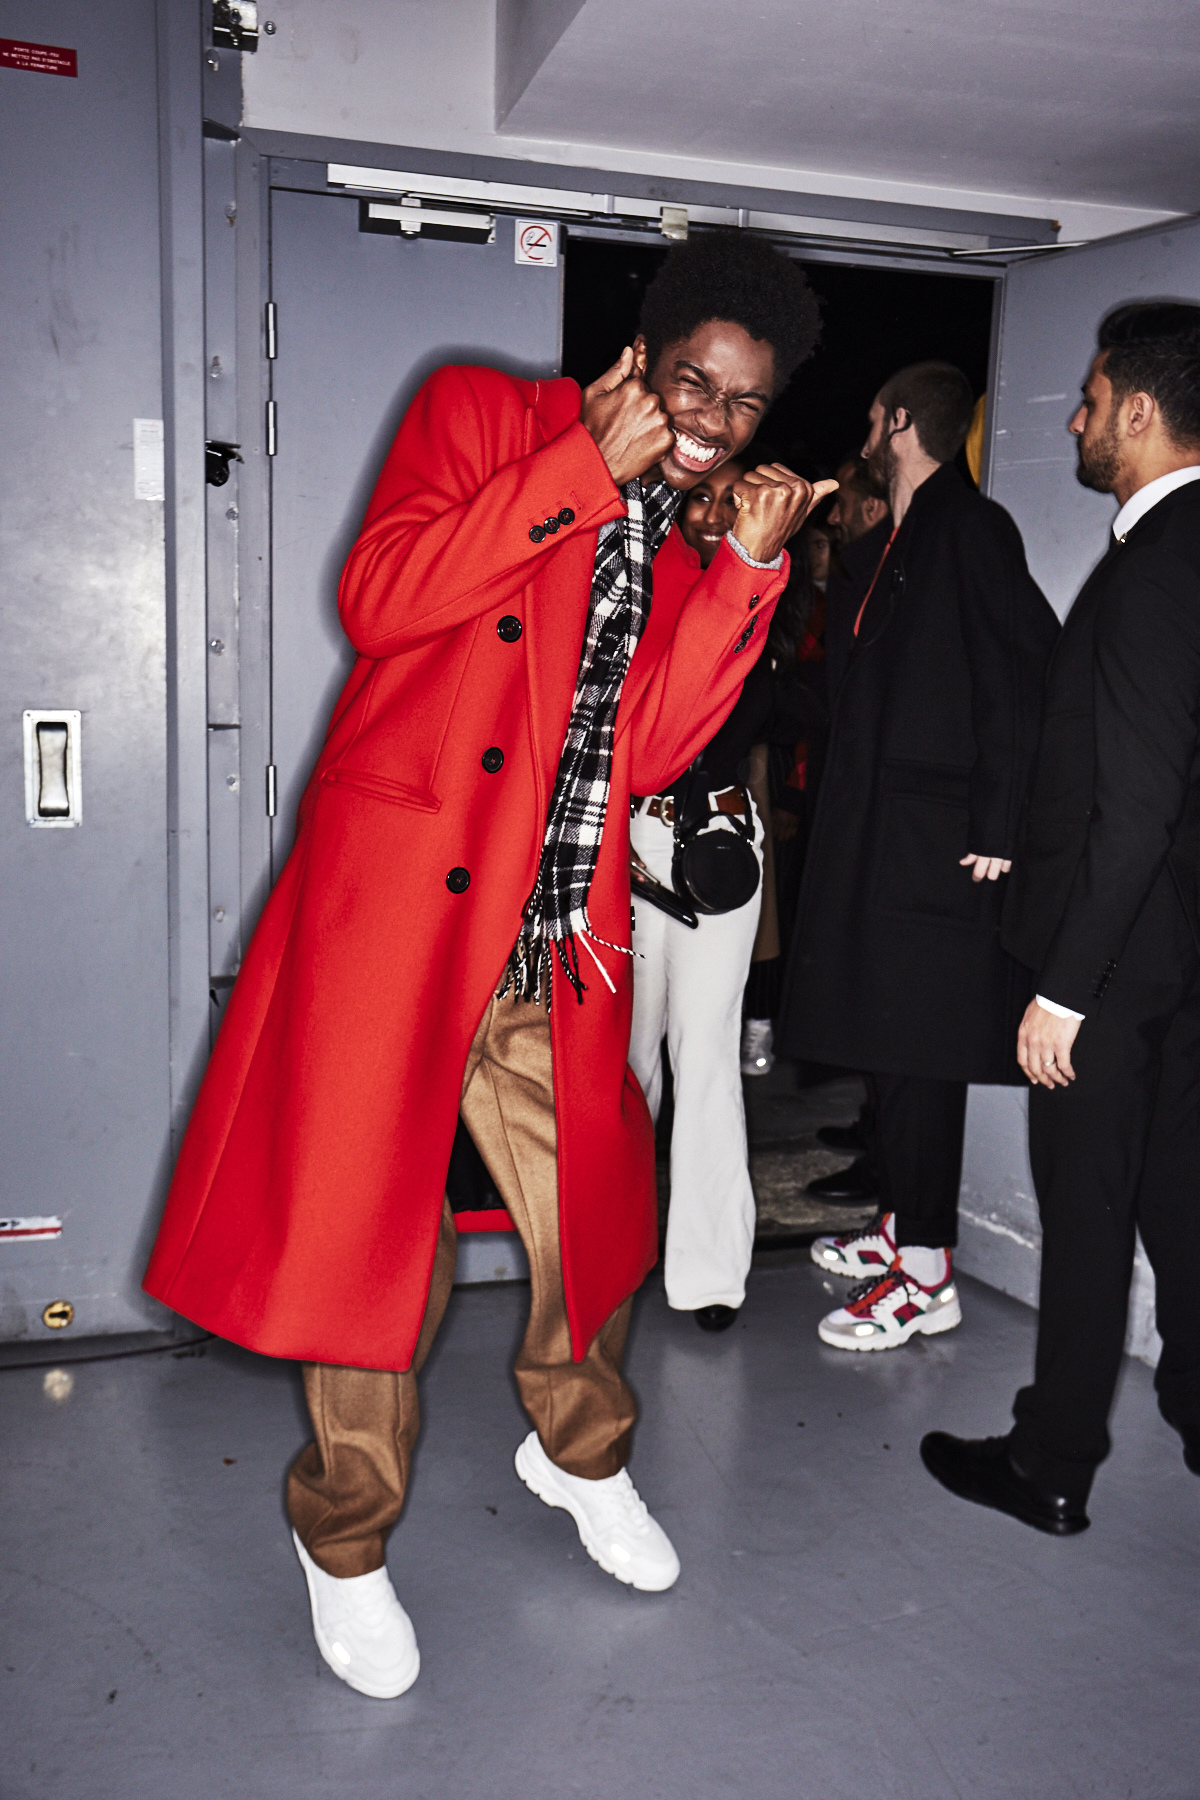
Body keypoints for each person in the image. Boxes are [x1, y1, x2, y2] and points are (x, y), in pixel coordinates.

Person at [143, 231, 827, 1698]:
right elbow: (380, 601)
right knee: (364, 1248)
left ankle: (575, 1454)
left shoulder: (689, 532)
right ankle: (344, 1538)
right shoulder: (484, 415)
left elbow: (646, 748)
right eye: (693, 382)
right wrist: (580, 464)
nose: (710, 420)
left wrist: (748, 573)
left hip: (555, 941)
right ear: (643, 357)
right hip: (400, 918)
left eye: (745, 404)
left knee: (594, 1221)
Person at [922, 303, 1200, 1533]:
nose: (1078, 420)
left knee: (1086, 1222)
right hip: (1185, 958)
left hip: (1117, 971)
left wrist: (1066, 988)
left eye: (1091, 401)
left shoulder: (1150, 570)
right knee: (1186, 1213)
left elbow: (1137, 802)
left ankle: (1050, 1465)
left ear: (1139, 413)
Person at [777, 362, 1059, 1350]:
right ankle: (902, 1227)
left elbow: (1028, 676)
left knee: (922, 1057)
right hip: (881, 843)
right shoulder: (895, 541)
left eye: (869, 413)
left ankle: (927, 1273)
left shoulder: (969, 529)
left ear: (898, 421)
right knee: (891, 1052)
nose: (860, 429)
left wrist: (997, 827)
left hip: (939, 854)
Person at [628, 447, 828, 1332]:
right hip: (626, 844)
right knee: (624, 1066)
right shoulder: (633, 581)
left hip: (716, 845)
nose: (712, 514)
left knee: (704, 1059)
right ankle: (615, 1248)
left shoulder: (761, 597)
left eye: (729, 500)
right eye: (698, 498)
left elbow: (783, 711)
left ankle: (709, 1274)